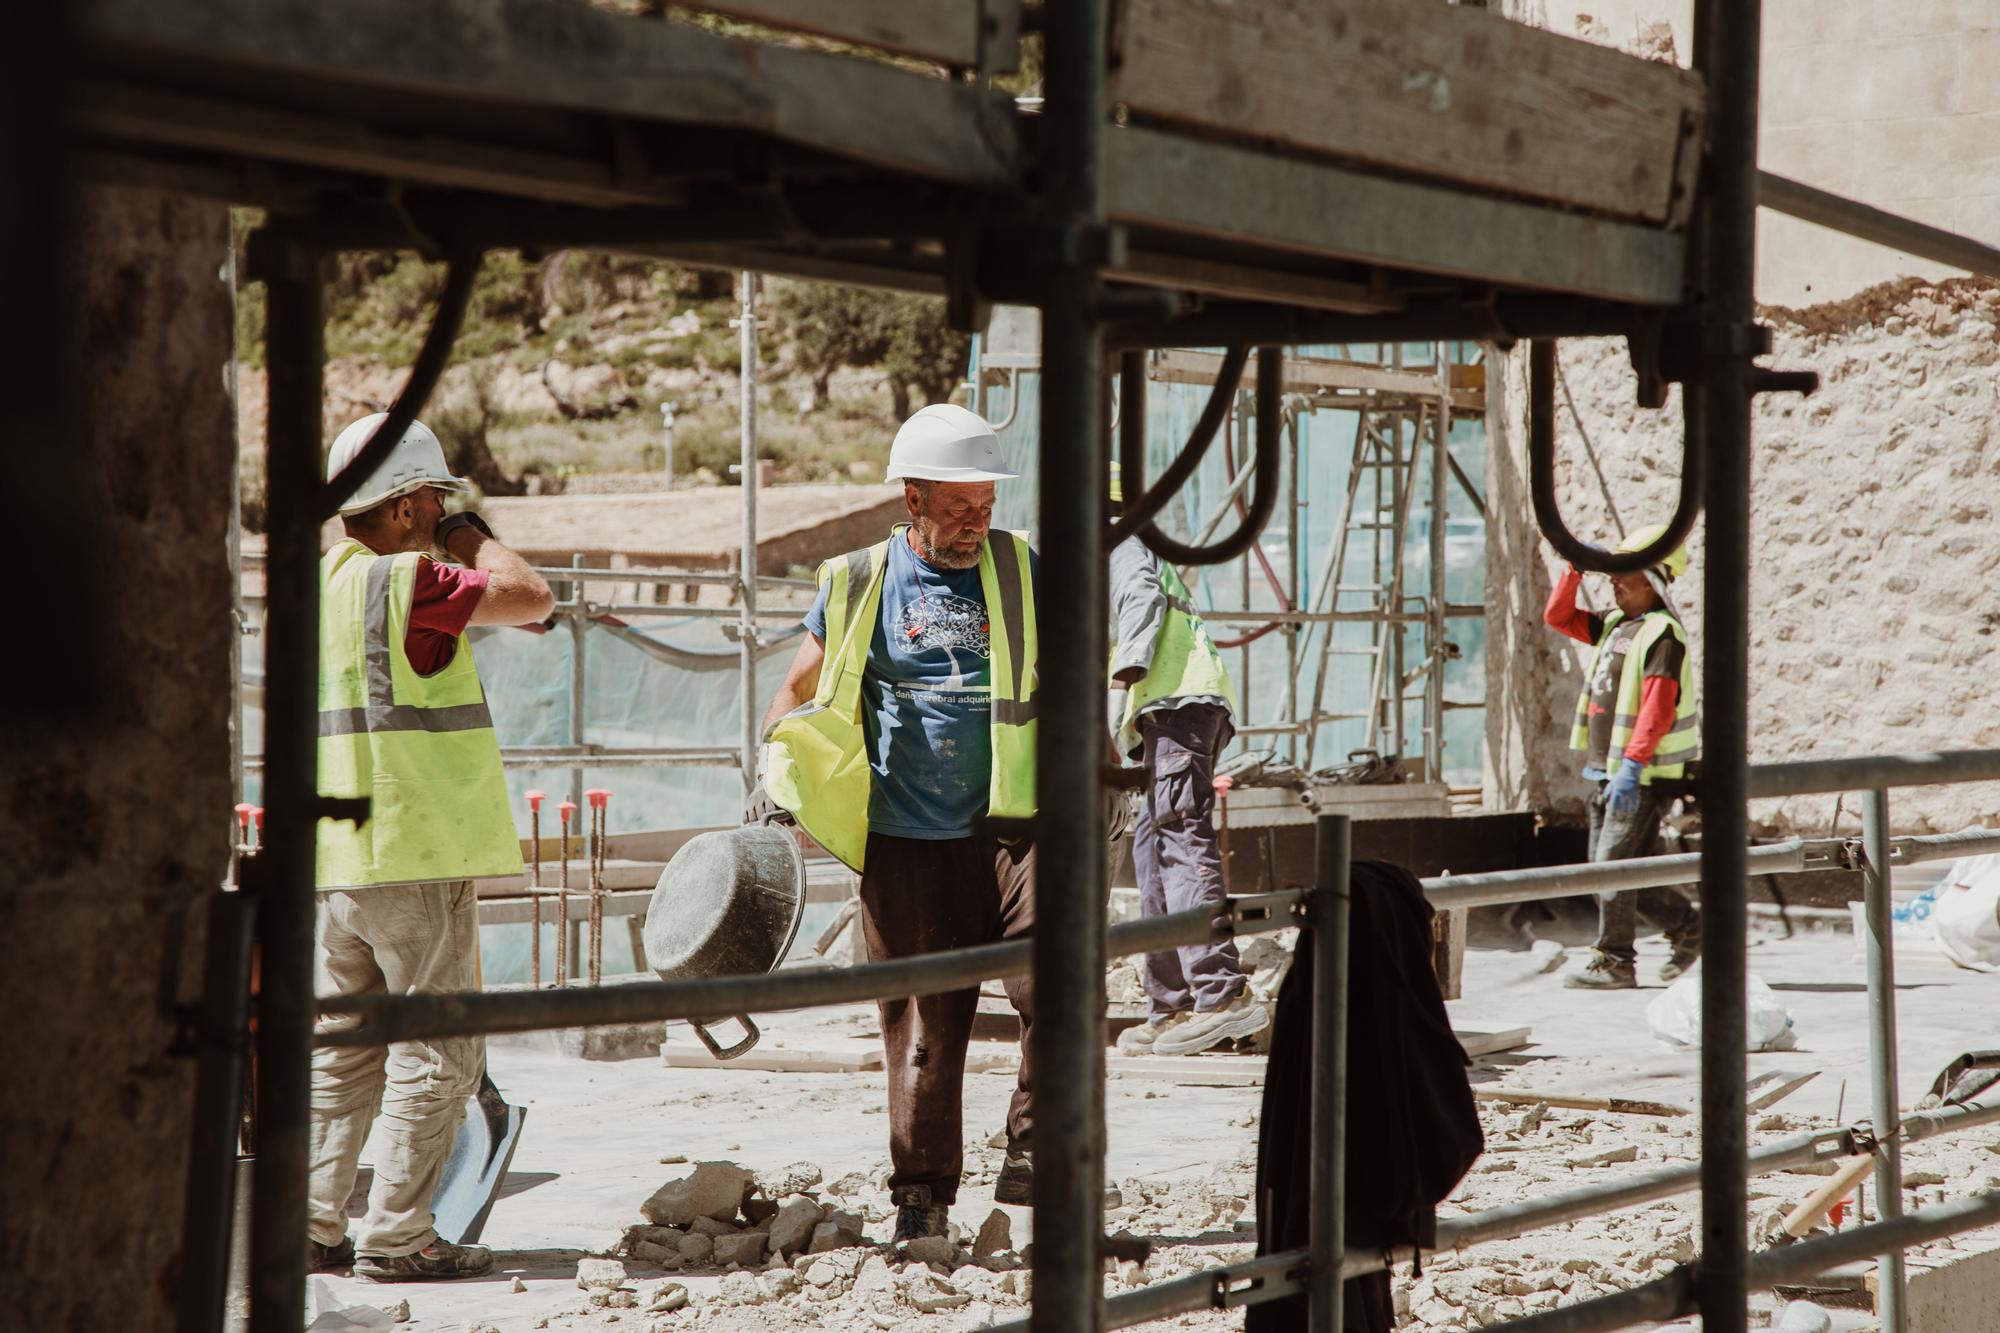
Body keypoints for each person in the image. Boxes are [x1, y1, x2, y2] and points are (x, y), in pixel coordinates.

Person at [761, 404, 1037, 1242]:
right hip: (912, 834)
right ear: (911, 498)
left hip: (1018, 823)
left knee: (1056, 981)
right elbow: (798, 692)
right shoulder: (857, 580)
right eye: (956, 507)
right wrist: (776, 780)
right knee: (924, 1024)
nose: (974, 522)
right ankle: (922, 1196)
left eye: (984, 504)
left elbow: (1062, 670)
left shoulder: (1022, 568)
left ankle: (1035, 1149)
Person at [308, 414, 553, 1280]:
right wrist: (472, 534)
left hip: (339, 860)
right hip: (417, 849)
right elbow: (532, 599)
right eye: (439, 501)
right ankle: (399, 1234)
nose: (446, 514)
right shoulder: (409, 577)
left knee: (346, 1047)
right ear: (410, 503)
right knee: (436, 1048)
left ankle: (315, 1222)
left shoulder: (325, 579)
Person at [1106, 511, 1268, 1055]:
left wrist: (1120, 674)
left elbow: (1141, 599)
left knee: (1178, 842)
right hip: (1166, 714)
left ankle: (1224, 995)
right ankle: (1171, 1007)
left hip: (1180, 705)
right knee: (1152, 853)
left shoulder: (1117, 541)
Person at [1543, 524, 1700, 990]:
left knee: (1610, 867)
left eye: (1622, 576)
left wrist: (1633, 766)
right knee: (1622, 871)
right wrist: (1574, 568)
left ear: (1652, 580)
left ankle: (1615, 961)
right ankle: (1690, 928)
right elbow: (1558, 616)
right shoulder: (1616, 624)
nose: (1613, 583)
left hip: (1644, 776)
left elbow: (1657, 705)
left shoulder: (1663, 634)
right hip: (1611, 771)